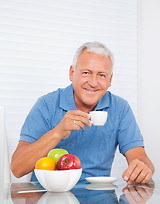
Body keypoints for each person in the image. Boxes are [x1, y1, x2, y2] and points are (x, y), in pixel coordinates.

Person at [11, 41, 154, 184]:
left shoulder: (120, 108)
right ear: (72, 73)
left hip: (98, 200)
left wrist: (143, 168)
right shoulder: (47, 105)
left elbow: (140, 158)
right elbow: (17, 168)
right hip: (48, 197)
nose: (93, 82)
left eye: (101, 75)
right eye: (86, 73)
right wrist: (57, 132)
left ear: (110, 80)